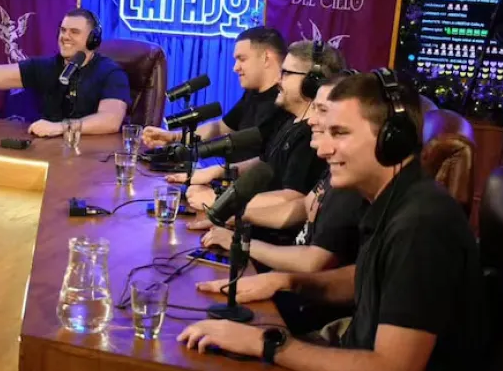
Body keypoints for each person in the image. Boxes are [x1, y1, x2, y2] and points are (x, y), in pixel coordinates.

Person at [178, 71, 484, 371]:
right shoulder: (393, 199)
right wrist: (286, 281)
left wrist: (266, 343)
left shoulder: (421, 226)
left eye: (339, 133)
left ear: (391, 138)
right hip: (355, 362)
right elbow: (371, 277)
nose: (322, 149)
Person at [177, 41, 347, 243]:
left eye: (286, 73)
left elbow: (292, 198)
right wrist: (217, 172)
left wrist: (222, 202)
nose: (278, 80)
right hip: (249, 228)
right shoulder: (287, 119)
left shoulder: (313, 137)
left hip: (271, 241)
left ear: (312, 83)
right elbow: (267, 164)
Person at [198, 73, 367, 273]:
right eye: (314, 108)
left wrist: (244, 245)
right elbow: (301, 207)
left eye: (322, 110)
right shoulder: (334, 168)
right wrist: (237, 215)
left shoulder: (350, 181)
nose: (311, 120)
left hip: (293, 281)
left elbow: (313, 262)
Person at [0, 8, 131, 137]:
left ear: (93, 39)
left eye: (74, 32)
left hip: (93, 160)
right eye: (63, 30)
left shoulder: (111, 73)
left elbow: (110, 120)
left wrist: (60, 128)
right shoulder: (44, 67)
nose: (65, 37)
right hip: (50, 153)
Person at [141, 27, 291, 162]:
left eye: (242, 59)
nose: (235, 68)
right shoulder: (252, 93)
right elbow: (221, 128)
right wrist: (173, 137)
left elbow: (267, 162)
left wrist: (213, 173)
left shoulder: (286, 103)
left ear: (266, 57)